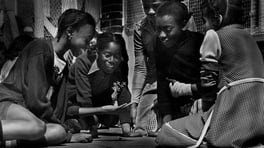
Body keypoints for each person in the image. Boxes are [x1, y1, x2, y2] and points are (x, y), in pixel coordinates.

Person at [156, 0, 264, 147]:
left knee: (166, 132)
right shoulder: (248, 37)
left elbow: (208, 83)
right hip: (258, 116)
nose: (205, 27)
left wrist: (204, 109)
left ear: (217, 19)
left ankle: (219, 141)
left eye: (204, 21)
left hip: (232, 111)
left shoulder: (214, 36)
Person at [0, 9, 96, 147]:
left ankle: (9, 142)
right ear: (70, 32)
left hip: (26, 114)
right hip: (8, 103)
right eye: (86, 40)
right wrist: (67, 133)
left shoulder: (63, 66)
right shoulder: (41, 48)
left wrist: (66, 130)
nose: (87, 46)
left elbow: (59, 107)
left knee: (58, 132)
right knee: (38, 127)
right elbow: (35, 99)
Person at [131, 0, 199, 137]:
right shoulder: (141, 29)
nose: (150, 11)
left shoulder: (186, 24)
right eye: (145, 7)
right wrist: (135, 100)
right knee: (142, 119)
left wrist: (186, 88)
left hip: (185, 83)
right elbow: (142, 68)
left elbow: (194, 63)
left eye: (155, 6)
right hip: (157, 81)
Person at [65, 32, 134, 137]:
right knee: (75, 114)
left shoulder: (120, 65)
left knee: (112, 119)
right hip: (75, 103)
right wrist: (92, 128)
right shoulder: (83, 62)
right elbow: (84, 98)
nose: (112, 60)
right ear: (97, 52)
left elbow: (123, 92)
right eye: (107, 55)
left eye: (117, 56)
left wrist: (126, 129)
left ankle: (90, 121)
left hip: (98, 101)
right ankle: (77, 122)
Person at [154, 1, 206, 127]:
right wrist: (166, 122)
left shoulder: (199, 43)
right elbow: (162, 84)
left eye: (168, 29)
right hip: (174, 105)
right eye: (158, 29)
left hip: (199, 101)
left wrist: (187, 90)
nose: (162, 35)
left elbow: (211, 83)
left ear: (183, 25)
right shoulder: (159, 46)